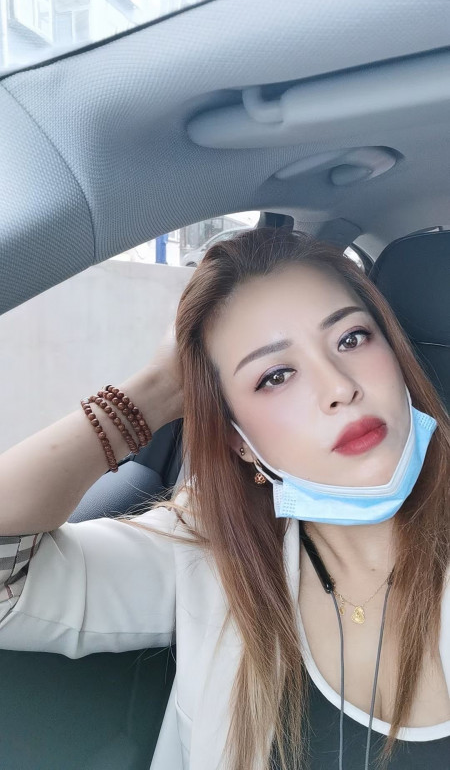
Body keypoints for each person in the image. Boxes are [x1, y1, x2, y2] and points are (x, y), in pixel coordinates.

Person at [0, 228, 448, 770]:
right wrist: (156, 392)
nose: (339, 387)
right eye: (276, 375)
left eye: (352, 339)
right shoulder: (209, 557)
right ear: (240, 441)